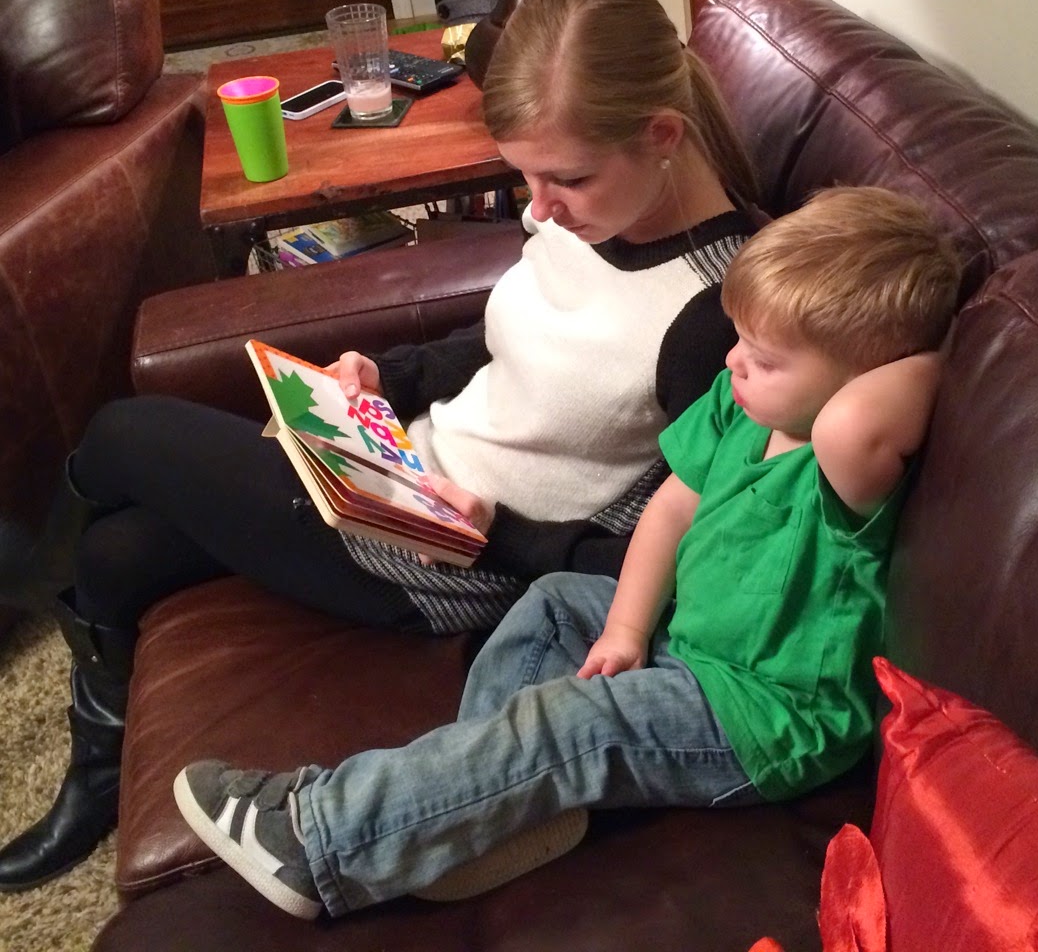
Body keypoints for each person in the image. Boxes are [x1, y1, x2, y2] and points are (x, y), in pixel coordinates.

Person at [0, 0, 760, 891]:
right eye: (525, 176)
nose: (539, 208)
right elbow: (507, 341)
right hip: (402, 464)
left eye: (565, 179)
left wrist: (494, 532)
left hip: (444, 563)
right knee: (117, 553)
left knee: (124, 434)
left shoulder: (719, 320)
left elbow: (667, 548)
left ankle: (25, 589)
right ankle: (99, 768)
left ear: (663, 135)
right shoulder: (598, 208)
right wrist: (385, 378)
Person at [171, 185, 963, 921]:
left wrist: (937, 344)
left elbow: (858, 417)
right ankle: (478, 813)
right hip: (689, 641)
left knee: (570, 719)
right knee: (553, 601)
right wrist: (624, 630)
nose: (733, 361)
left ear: (860, 374)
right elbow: (671, 508)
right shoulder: (743, 403)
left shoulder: (844, 465)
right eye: (741, 340)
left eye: (766, 357)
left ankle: (319, 839)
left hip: (763, 716)